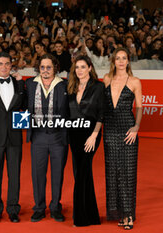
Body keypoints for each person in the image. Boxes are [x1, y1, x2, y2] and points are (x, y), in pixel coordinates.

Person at [103, 47, 142, 230]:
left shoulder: (135, 81)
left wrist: (136, 127)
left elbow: (140, 108)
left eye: (124, 58)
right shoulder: (106, 79)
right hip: (109, 129)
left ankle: (129, 215)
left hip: (128, 130)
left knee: (128, 172)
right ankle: (118, 212)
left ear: (128, 61)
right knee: (113, 172)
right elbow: (101, 105)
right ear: (114, 61)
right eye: (117, 58)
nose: (120, 61)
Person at [26, 54, 69, 222]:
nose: (45, 70)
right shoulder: (29, 84)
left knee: (57, 173)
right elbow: (21, 106)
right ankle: (39, 207)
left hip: (59, 137)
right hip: (38, 136)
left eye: (49, 67)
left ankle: (55, 207)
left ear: (55, 68)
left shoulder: (64, 85)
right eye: (42, 67)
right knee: (38, 174)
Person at [0, 52, 26, 223]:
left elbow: (24, 107)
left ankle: (13, 208)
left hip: (15, 135)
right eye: (0, 64)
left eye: (7, 64)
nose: (4, 67)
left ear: (11, 65)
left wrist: (21, 84)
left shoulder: (19, 84)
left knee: (14, 174)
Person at [67, 55, 105, 227]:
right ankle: (92, 215)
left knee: (82, 173)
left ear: (90, 68)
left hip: (90, 134)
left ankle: (80, 218)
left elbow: (101, 113)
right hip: (74, 135)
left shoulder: (98, 86)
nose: (80, 70)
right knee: (82, 173)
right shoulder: (71, 87)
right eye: (77, 67)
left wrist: (94, 135)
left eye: (83, 67)